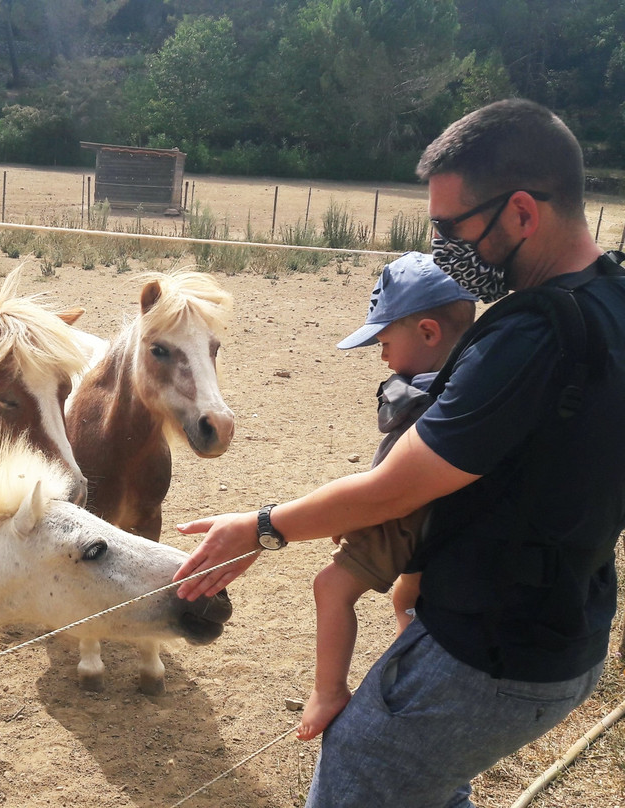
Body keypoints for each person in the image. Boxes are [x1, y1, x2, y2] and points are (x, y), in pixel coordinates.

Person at [172, 98, 625, 807]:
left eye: (452, 228)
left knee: (357, 771)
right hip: (568, 628)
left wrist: (260, 527)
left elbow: (396, 487)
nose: (445, 249)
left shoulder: (529, 336)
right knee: (427, 784)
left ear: (523, 215)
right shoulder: (612, 299)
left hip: (490, 650)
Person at [298, 251, 476, 742]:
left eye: (383, 341)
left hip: (407, 509)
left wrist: (358, 511)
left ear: (427, 333)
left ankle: (329, 690)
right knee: (407, 595)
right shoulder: (477, 376)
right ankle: (413, 655)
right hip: (440, 514)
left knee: (331, 587)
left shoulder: (425, 392)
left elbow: (397, 483)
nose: (381, 356)